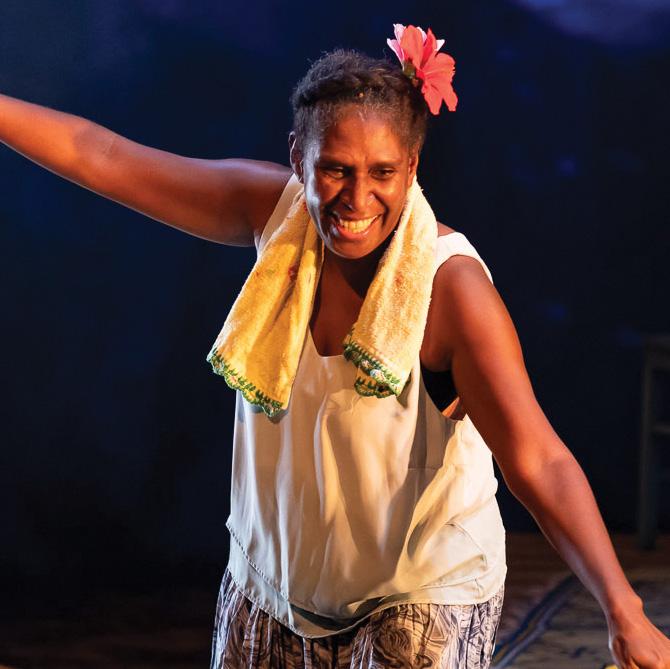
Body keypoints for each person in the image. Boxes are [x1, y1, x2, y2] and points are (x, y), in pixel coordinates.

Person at [2, 21, 669, 669]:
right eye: (336, 169)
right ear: (299, 157)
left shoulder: (451, 290)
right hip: (272, 581)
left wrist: (624, 608)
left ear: (411, 168)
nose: (358, 197)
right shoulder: (273, 213)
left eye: (382, 172)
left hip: (417, 589)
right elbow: (101, 155)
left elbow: (536, 457)